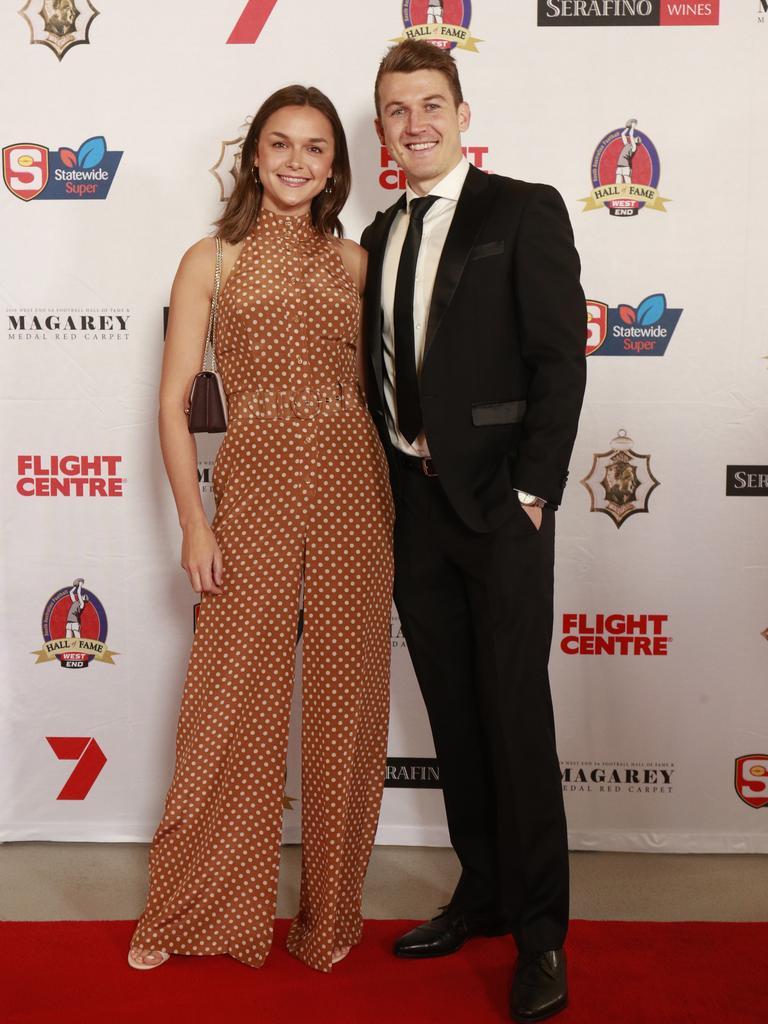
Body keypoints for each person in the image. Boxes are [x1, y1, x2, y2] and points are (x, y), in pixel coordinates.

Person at [128, 85, 394, 974]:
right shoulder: (212, 259)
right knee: (227, 704)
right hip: (253, 493)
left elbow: (381, 393)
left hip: (356, 489)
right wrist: (194, 525)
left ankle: (330, 920)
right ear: (252, 156)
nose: (295, 162)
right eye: (279, 144)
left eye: (315, 149)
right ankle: (192, 914)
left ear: (335, 166)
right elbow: (173, 404)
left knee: (344, 705)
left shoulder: (356, 264)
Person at [361, 41, 586, 1022]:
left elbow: (559, 360)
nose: (416, 124)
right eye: (397, 111)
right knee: (455, 716)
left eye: (430, 104)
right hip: (414, 509)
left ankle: (541, 937)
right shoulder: (375, 231)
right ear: (383, 130)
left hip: (500, 511)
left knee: (516, 721)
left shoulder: (521, 209)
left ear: (460, 110)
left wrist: (534, 491)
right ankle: (483, 893)